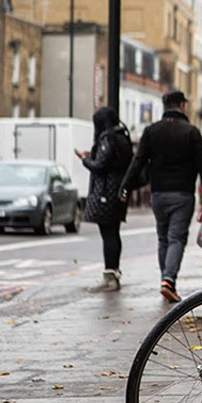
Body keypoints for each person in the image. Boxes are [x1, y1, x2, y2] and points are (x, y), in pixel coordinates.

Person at [121, 90, 202, 303]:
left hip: (158, 195)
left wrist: (125, 187)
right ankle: (168, 281)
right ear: (182, 105)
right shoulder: (191, 132)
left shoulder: (151, 131)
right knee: (176, 238)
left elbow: (138, 161)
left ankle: (166, 281)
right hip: (183, 195)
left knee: (163, 238)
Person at [76, 107, 133, 292]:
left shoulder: (108, 138)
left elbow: (100, 166)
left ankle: (110, 277)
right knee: (113, 233)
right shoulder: (123, 136)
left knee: (108, 234)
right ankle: (113, 273)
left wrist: (85, 159)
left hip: (106, 193)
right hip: (118, 191)